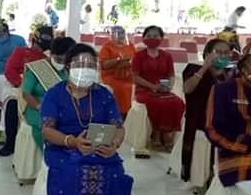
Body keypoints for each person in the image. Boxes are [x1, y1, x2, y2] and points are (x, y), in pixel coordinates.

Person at [41, 43, 133, 195]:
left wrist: (114, 145)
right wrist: (71, 141)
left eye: (91, 65)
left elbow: (118, 126)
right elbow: (47, 130)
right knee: (73, 172)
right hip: (64, 148)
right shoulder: (55, 94)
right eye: (80, 64)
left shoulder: (103, 94)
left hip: (101, 149)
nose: (86, 69)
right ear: (68, 68)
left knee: (116, 174)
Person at [181, 39, 231, 185]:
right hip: (200, 118)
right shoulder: (193, 69)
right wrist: (205, 67)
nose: (223, 56)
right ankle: (207, 177)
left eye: (226, 53)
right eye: (218, 52)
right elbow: (187, 89)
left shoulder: (231, 73)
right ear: (208, 53)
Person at [0, 24, 54, 156]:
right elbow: (9, 70)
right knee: (12, 104)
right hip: (17, 86)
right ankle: (10, 143)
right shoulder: (21, 51)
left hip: (37, 90)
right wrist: (20, 83)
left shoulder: (47, 59)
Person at [132, 25, 185, 153]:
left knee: (177, 102)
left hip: (163, 89)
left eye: (155, 36)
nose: (152, 38)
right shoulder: (139, 56)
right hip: (144, 90)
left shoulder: (167, 56)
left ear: (161, 38)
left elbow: (171, 75)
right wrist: (152, 87)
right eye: (149, 36)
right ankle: (156, 134)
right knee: (156, 103)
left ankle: (167, 133)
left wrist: (169, 86)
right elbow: (135, 77)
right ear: (144, 38)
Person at [21, 37, 76, 151]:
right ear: (51, 54)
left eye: (65, 60)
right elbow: (26, 93)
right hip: (39, 110)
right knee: (49, 128)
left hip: (65, 109)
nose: (61, 63)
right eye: (58, 59)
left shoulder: (71, 70)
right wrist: (40, 106)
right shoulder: (37, 68)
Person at [206, 53, 251, 187]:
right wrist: (239, 146)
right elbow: (212, 129)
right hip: (235, 152)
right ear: (243, 69)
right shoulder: (224, 90)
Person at [0, 22, 26, 122]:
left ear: (7, 31)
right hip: (2, 71)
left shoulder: (19, 40)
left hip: (19, 71)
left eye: (1, 31)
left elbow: (26, 57)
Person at [99, 26, 135, 117]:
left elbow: (136, 59)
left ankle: (125, 114)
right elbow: (104, 65)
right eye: (118, 33)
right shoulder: (107, 47)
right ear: (112, 35)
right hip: (112, 78)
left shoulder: (130, 45)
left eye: (122, 33)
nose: (121, 35)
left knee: (128, 91)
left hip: (127, 78)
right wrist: (118, 60)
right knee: (119, 91)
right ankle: (115, 114)